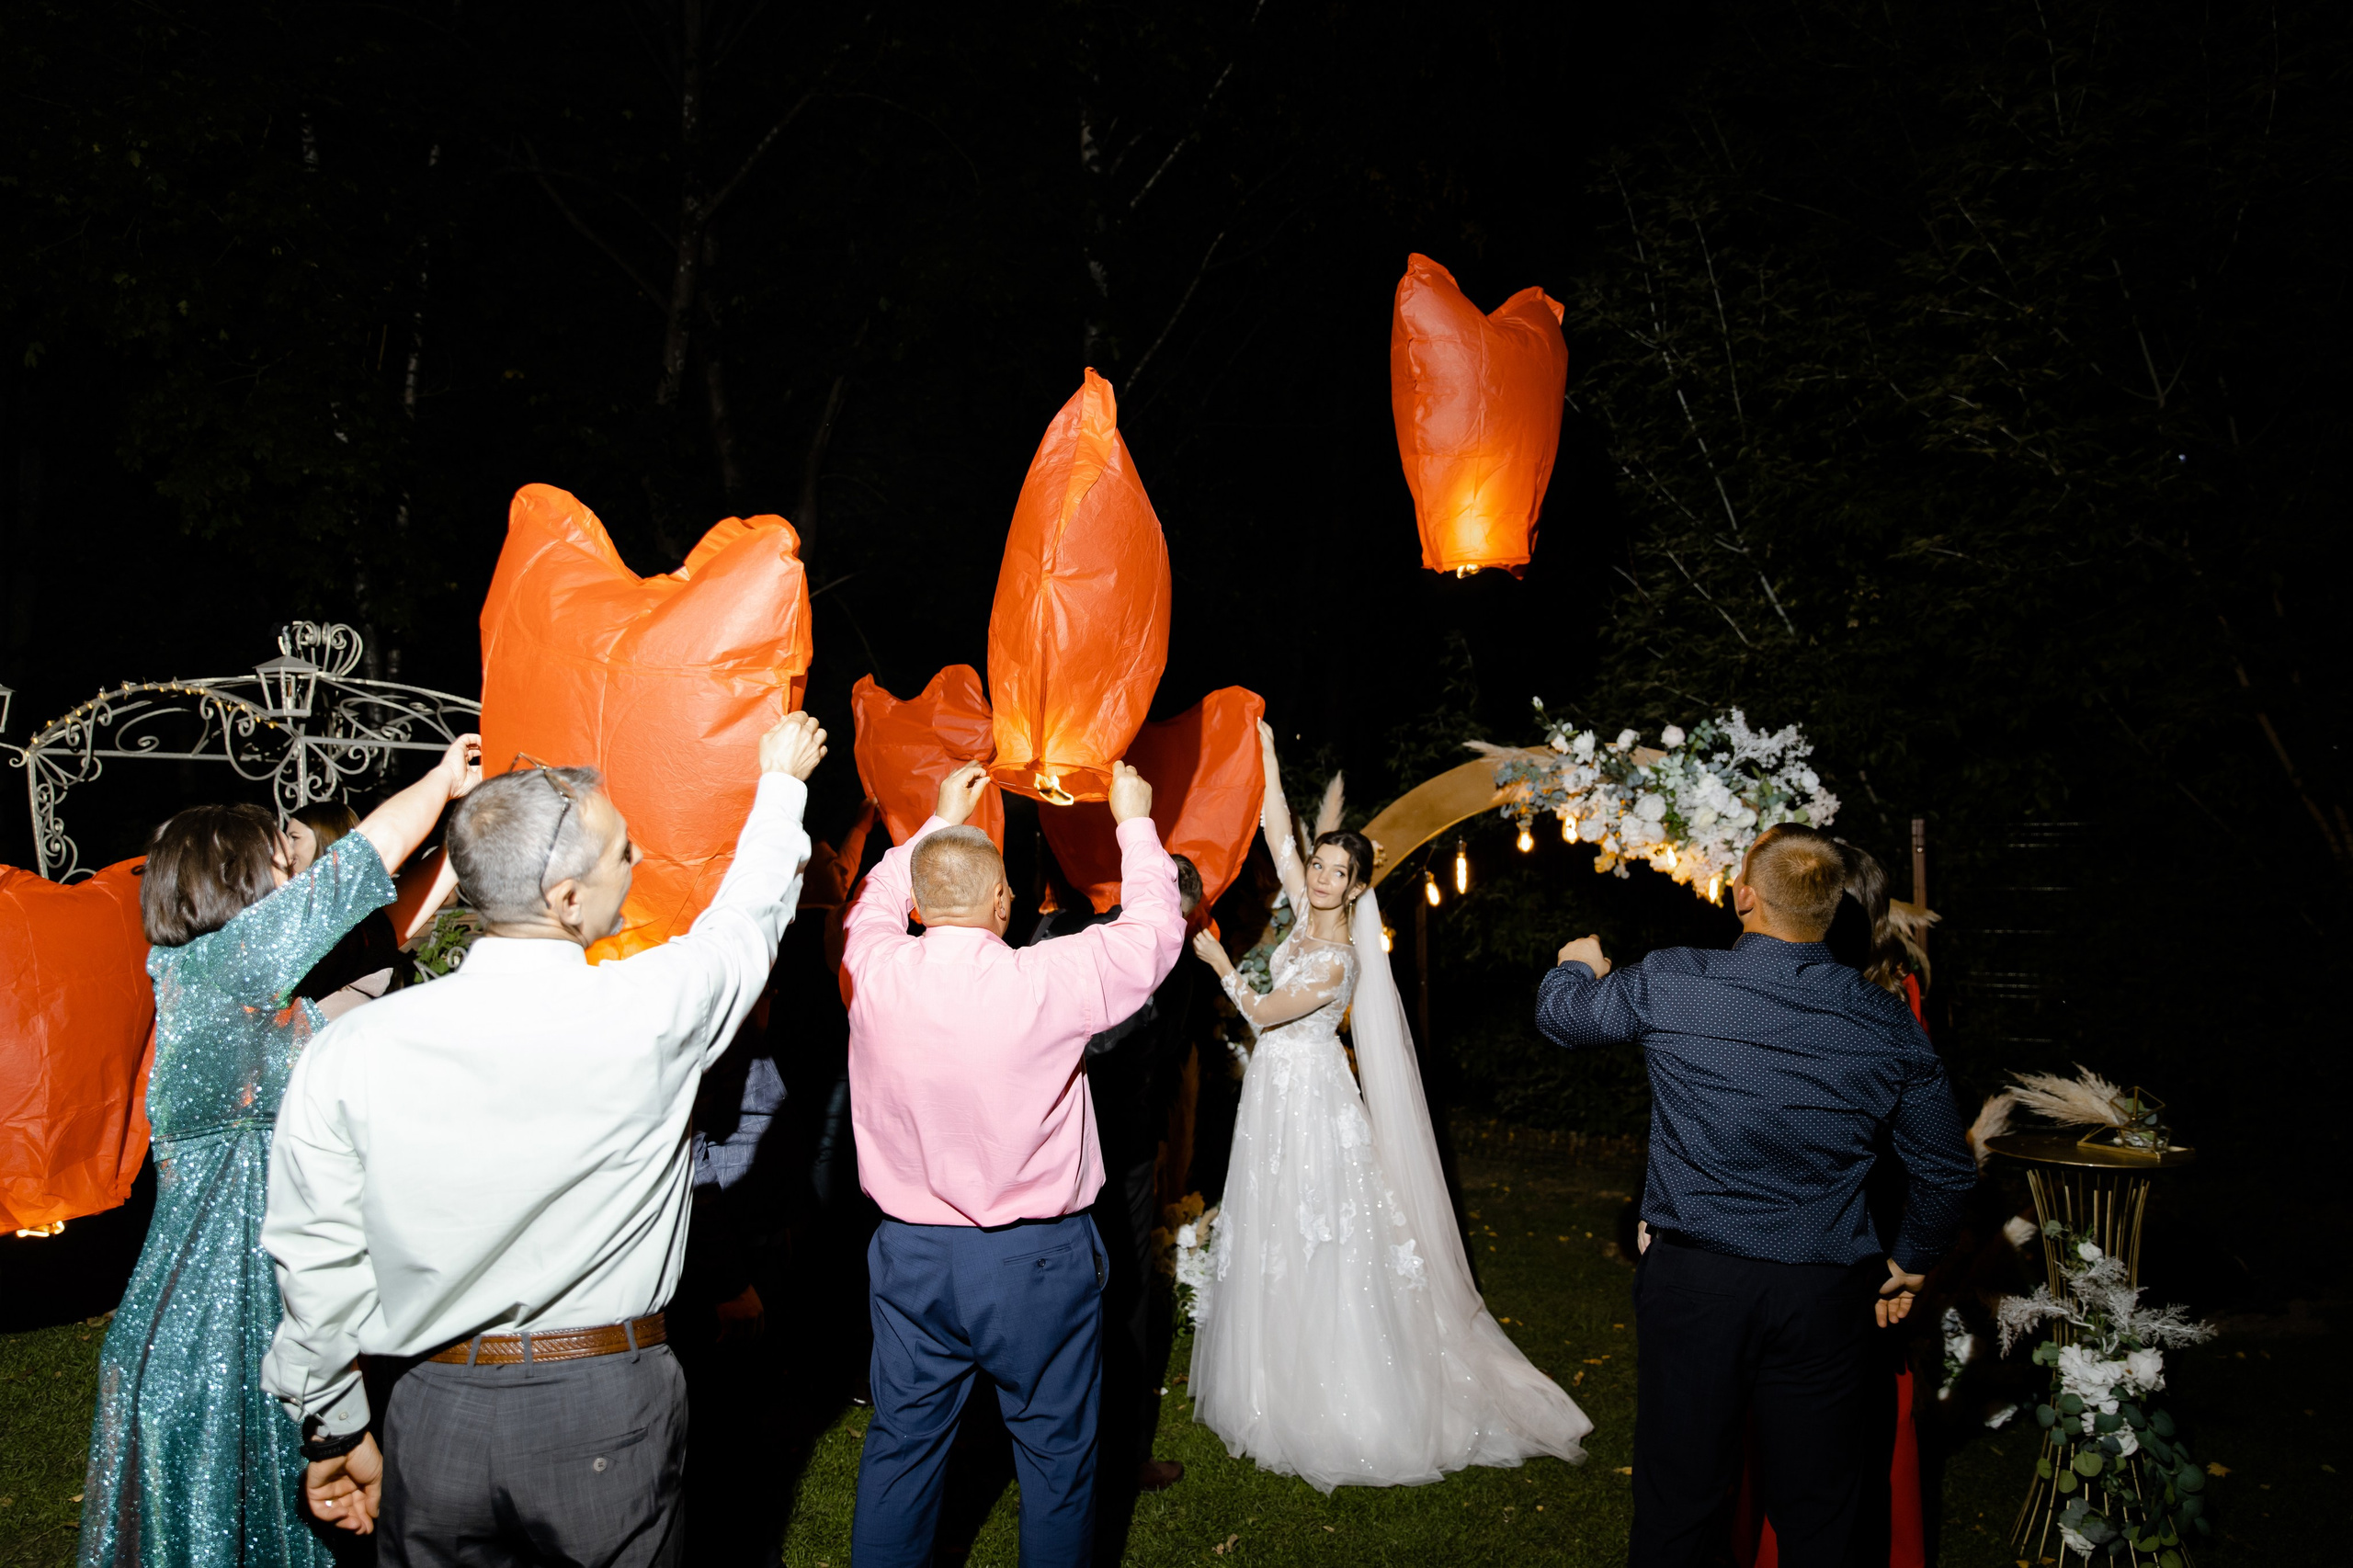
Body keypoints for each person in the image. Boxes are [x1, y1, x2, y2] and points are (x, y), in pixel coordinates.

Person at [258, 710, 827, 1567]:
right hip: (603, 1412)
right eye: (622, 853)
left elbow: (314, 1254)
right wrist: (781, 785)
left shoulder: (352, 1047)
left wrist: (334, 1421)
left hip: (430, 1406)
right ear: (565, 900)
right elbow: (746, 920)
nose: (635, 866)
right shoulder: (646, 1013)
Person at [75, 733, 481, 1568]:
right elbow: (359, 868)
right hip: (208, 1354)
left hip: (264, 1335)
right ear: (239, 884)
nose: (300, 879)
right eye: (283, 868)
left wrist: (467, 832)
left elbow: (391, 932)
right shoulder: (219, 974)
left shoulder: (238, 1002)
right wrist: (442, 778)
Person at [1534, 824, 1978, 1568]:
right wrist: (1913, 1259)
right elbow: (1945, 1171)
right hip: (1825, 1297)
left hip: (1698, 1287)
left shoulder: (1674, 981)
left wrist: (1575, 968)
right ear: (1832, 908)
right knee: (1821, 1517)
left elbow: (1564, 1019)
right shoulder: (1884, 1020)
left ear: (1744, 896)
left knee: (1682, 1505)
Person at [1184, 722, 1590, 1492]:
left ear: (1359, 887)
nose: (1321, 876)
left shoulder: (1338, 956)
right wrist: (1263, 750)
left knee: (1321, 1232)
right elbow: (1277, 824)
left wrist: (1217, 963)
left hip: (1310, 1102)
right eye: (1318, 864)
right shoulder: (1303, 915)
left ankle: (1345, 1391)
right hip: (1275, 1098)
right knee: (1273, 1225)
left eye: (1336, 871)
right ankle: (1268, 1378)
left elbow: (1266, 1013)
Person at [840, 758, 1184, 1568]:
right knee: (1058, 1460)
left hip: (911, 1255)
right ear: (1002, 903)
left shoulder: (874, 967)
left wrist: (933, 822)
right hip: (1032, 1261)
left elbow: (873, 903)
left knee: (903, 1444)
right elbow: (1154, 934)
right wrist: (1133, 819)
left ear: (923, 908)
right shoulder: (1047, 980)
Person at [1029, 852, 1207, 1502]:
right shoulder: (1158, 957)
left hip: (1062, 1143)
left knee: (1067, 1291)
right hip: (1103, 1145)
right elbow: (1150, 1054)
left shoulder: (1076, 934)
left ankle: (1071, 1449)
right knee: (1118, 1291)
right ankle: (1111, 1457)